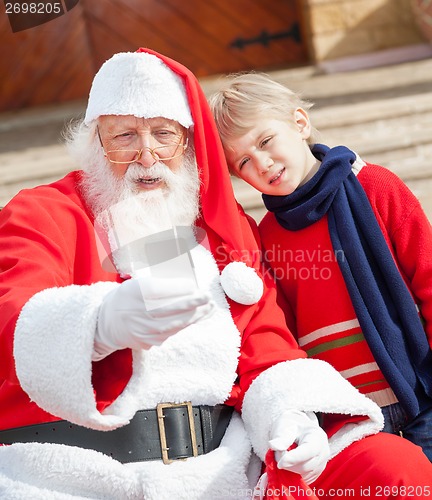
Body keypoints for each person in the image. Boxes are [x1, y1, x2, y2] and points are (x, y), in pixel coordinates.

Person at [0, 49, 430, 500]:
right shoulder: (42, 213)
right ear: (94, 143)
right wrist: (99, 324)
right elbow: (12, 310)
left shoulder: (222, 230)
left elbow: (266, 343)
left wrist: (290, 416)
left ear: (187, 144)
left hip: (225, 467)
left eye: (163, 135)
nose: (146, 155)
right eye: (124, 135)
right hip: (83, 471)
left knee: (392, 467)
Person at [209, 72, 432, 463]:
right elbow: (285, 329)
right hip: (347, 418)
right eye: (243, 160)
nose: (262, 162)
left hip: (420, 392)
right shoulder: (268, 236)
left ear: (299, 123)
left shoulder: (376, 188)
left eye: (265, 141)